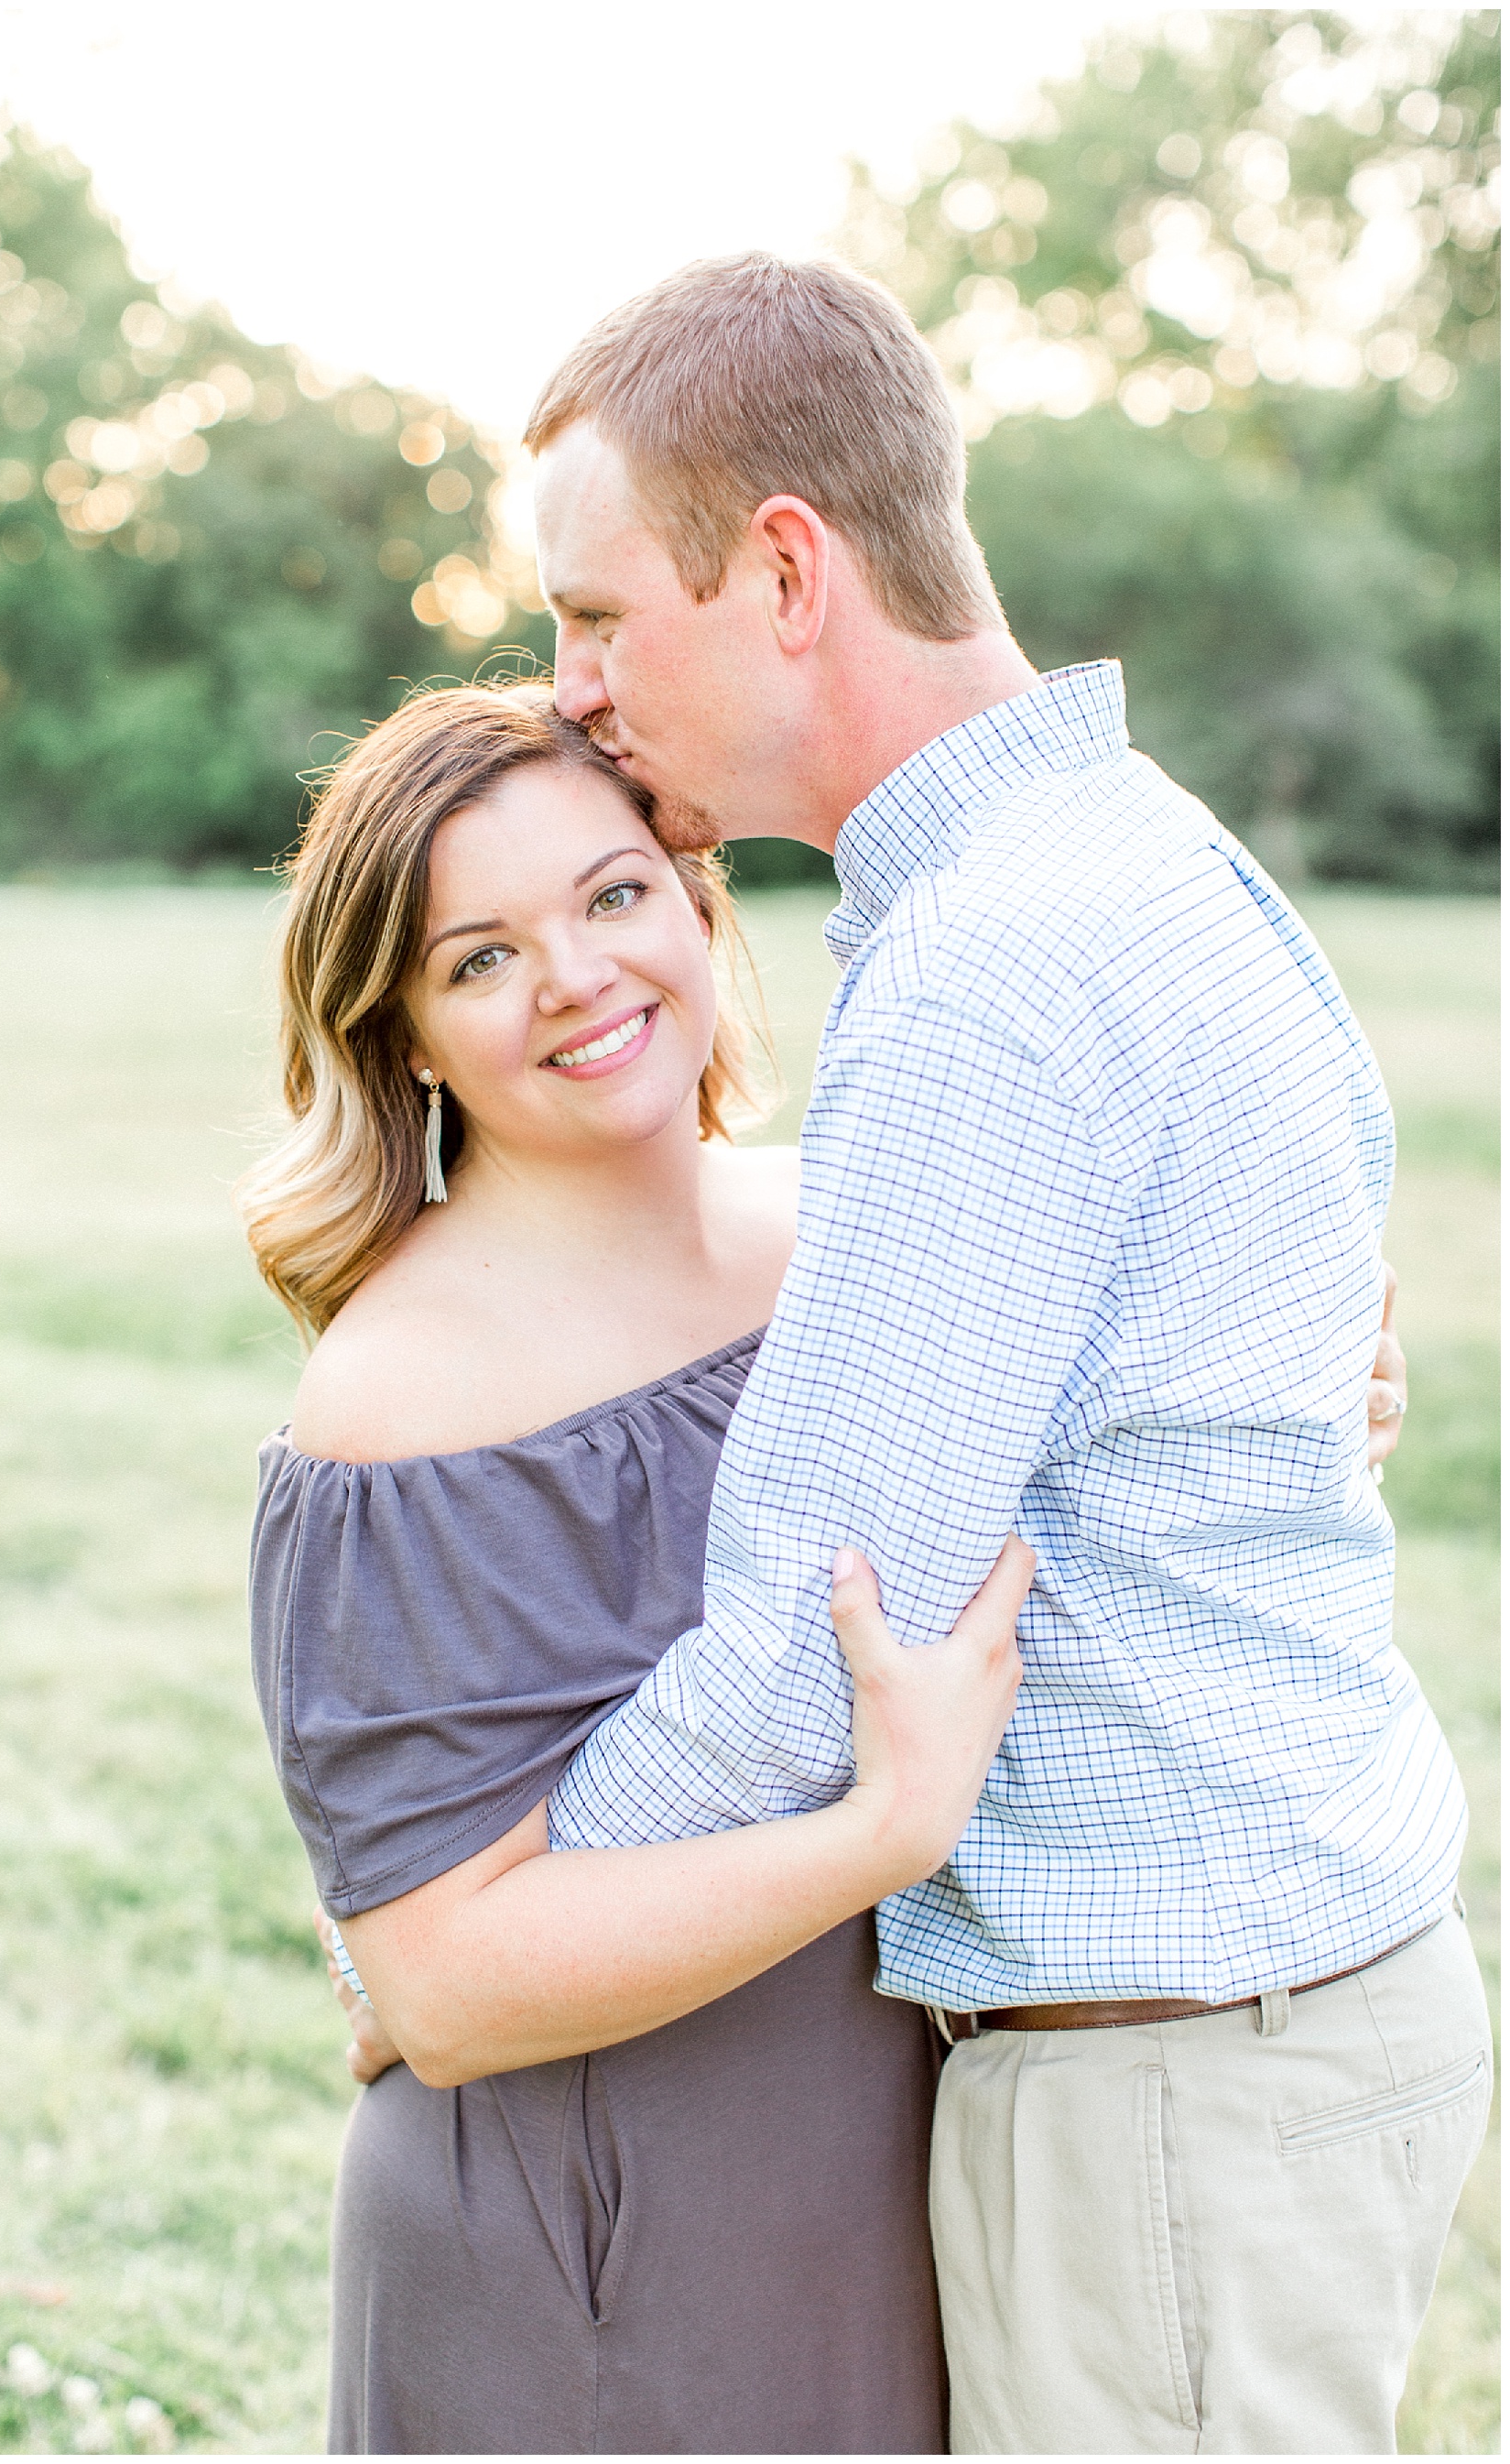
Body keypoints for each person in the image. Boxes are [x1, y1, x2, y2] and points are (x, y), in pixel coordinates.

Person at [504, 253, 1489, 2458]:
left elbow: (814, 1641)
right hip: (1285, 2014)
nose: (566, 689)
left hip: (1175, 2087)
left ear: (781, 569)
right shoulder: (1148, 854)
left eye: (592, 617)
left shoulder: (992, 973)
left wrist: (483, 1939)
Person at [241, 682, 1032, 2455]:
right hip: (589, 2229)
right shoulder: (403, 1394)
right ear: (411, 1038)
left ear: (697, 901)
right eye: (480, 956)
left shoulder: (845, 1226)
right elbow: (436, 1988)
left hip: (897, 2164)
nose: (580, 978)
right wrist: (874, 1837)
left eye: (611, 897)